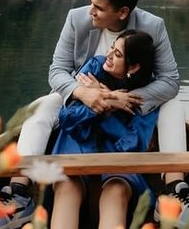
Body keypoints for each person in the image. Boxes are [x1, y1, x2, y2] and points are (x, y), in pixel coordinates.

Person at [0, 0, 189, 229]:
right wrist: (85, 93)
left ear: (122, 12)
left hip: (128, 109)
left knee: (174, 106)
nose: (90, 11)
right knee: (41, 105)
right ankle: (18, 189)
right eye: (91, 3)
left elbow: (170, 81)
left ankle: (176, 188)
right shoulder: (76, 19)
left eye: (99, 7)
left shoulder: (152, 27)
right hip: (80, 103)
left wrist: (121, 98)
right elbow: (57, 71)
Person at [50, 29, 159, 229]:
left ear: (133, 67)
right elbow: (67, 118)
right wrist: (109, 101)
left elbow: (132, 144)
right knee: (67, 187)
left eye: (117, 54)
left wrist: (104, 101)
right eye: (112, 47)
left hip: (119, 163)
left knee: (115, 190)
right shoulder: (94, 66)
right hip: (75, 147)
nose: (108, 56)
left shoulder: (146, 93)